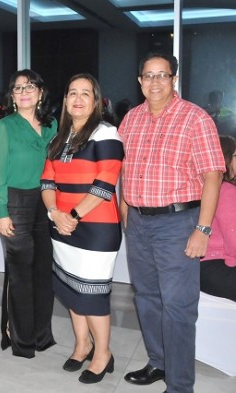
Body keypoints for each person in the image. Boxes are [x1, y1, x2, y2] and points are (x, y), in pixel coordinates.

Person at [120, 52, 225, 393]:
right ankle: (158, 362)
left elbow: (213, 176)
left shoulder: (195, 118)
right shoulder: (131, 120)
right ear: (139, 81)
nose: (155, 82)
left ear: (173, 79)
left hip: (179, 224)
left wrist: (203, 229)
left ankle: (180, 385)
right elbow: (121, 167)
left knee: (178, 308)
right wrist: (125, 208)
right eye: (148, 75)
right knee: (147, 298)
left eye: (162, 75)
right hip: (138, 223)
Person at [41, 74, 123, 384]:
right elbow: (47, 181)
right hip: (62, 225)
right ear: (64, 101)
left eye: (85, 93)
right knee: (72, 290)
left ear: (96, 100)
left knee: (93, 295)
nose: (78, 98)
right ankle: (81, 344)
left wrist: (71, 215)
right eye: (72, 92)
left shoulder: (106, 134)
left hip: (97, 229)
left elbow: (104, 184)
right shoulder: (58, 137)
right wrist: (54, 213)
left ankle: (103, 353)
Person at [0, 69, 58, 358]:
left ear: (40, 92)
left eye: (30, 87)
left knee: (43, 272)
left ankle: (42, 335)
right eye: (18, 88)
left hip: (46, 201)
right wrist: (1, 211)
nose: (25, 92)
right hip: (15, 203)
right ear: (12, 96)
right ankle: (21, 339)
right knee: (19, 273)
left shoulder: (52, 125)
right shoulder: (5, 126)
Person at [200, 135, 236, 302]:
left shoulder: (205, 187)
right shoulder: (226, 191)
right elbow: (233, 241)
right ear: (226, 160)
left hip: (201, 265)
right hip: (216, 264)